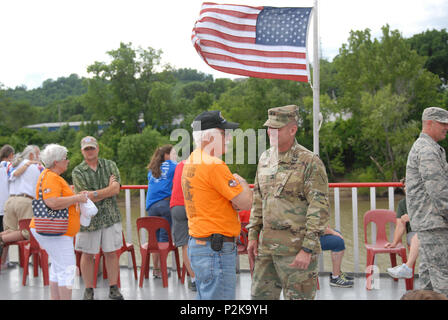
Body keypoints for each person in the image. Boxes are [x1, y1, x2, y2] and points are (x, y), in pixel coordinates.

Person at [247, 105, 330, 300]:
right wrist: (252, 235)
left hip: (296, 251)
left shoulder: (309, 162)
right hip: (266, 249)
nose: (270, 132)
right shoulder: (265, 159)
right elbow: (258, 200)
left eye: (276, 128)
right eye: (269, 128)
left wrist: (307, 249)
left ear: (292, 130)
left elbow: (319, 208)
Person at [181, 110, 253, 300]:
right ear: (209, 137)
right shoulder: (214, 165)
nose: (228, 137)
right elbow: (245, 202)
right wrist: (242, 183)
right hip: (216, 250)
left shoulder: (191, 161)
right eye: (224, 133)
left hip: (199, 245)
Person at [29, 144, 88, 300]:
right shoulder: (51, 177)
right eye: (65, 158)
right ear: (56, 162)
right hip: (57, 232)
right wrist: (77, 198)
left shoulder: (49, 176)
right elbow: (52, 202)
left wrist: (69, 191)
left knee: (57, 268)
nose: (67, 161)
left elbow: (54, 197)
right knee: (68, 269)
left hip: (54, 230)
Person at [72, 136, 124, 300]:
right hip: (89, 220)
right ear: (82, 151)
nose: (90, 151)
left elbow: (116, 189)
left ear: (98, 148)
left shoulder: (110, 165)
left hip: (110, 216)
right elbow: (84, 197)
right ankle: (88, 289)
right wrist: (106, 190)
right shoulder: (77, 171)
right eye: (86, 149)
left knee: (111, 253)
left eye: (92, 148)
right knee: (87, 255)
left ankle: (114, 288)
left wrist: (94, 193)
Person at [405, 107, 448, 297]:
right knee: (443, 278)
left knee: (429, 278)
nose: (446, 127)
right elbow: (439, 191)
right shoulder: (427, 150)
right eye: (443, 123)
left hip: (428, 223)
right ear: (429, 123)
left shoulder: (427, 147)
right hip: (434, 223)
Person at [0, 145, 42, 260]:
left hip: (10, 202)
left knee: (11, 232)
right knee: (28, 233)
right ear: (32, 155)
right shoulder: (37, 167)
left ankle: (3, 263)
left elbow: (12, 176)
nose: (40, 157)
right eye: (39, 154)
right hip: (25, 201)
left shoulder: (12, 164)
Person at [145, 144, 177, 279]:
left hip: (151, 207)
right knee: (164, 240)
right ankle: (163, 270)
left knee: (154, 240)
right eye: (174, 153)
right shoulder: (172, 165)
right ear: (166, 155)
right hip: (165, 205)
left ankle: (156, 270)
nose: (176, 155)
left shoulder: (152, 169)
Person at [170, 159, 196, 291]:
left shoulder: (180, 165)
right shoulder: (202, 162)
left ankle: (193, 279)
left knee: (185, 245)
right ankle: (203, 277)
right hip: (193, 205)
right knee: (201, 241)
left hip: (176, 205)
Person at [386, 178, 419, 279]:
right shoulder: (403, 203)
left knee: (421, 235)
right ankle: (407, 268)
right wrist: (394, 243)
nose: (405, 188)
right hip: (414, 235)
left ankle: (407, 268)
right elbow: (400, 226)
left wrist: (412, 218)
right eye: (404, 186)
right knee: (417, 236)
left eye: (408, 185)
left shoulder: (426, 200)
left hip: (430, 232)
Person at [0, 144, 15, 269]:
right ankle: (3, 262)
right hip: (5, 206)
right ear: (11, 155)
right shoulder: (8, 166)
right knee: (6, 236)